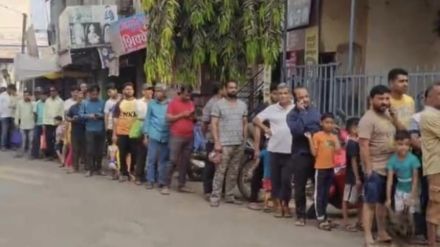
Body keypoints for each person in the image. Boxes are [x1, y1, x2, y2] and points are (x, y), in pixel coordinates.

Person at [359, 85, 403, 246]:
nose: (385, 102)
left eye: (386, 98)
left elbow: (402, 133)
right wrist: (369, 169)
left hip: (390, 168)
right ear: (372, 100)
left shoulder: (388, 116)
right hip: (375, 168)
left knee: (383, 202)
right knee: (370, 202)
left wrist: (395, 118)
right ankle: (367, 235)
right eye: (381, 98)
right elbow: (363, 145)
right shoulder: (367, 119)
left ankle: (382, 232)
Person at [252, 83, 293, 216]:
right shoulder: (271, 109)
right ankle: (278, 206)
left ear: (290, 95)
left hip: (290, 151)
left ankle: (285, 204)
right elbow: (256, 119)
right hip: (274, 149)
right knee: (275, 180)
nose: (282, 96)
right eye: (280, 93)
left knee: (286, 180)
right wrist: (265, 129)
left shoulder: (295, 109)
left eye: (285, 93)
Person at [286, 86, 321, 226]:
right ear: (295, 100)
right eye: (301, 97)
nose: (305, 99)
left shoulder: (315, 111)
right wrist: (302, 114)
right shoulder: (292, 115)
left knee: (319, 185)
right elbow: (298, 131)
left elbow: (318, 128)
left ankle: (317, 213)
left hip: (317, 154)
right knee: (300, 186)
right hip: (301, 154)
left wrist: (309, 128)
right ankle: (300, 215)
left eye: (306, 96)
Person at [210, 80, 248, 207]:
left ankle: (229, 196)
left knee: (234, 171)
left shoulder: (242, 105)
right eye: (230, 88)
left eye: (235, 87)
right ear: (225, 89)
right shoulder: (218, 105)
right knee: (220, 171)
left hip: (239, 143)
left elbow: (245, 123)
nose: (233, 90)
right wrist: (217, 142)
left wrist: (245, 139)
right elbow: (214, 124)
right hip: (224, 144)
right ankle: (215, 196)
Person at [304, 113, 340, 230]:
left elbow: (338, 151)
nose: (329, 125)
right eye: (327, 122)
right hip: (320, 168)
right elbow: (314, 153)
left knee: (326, 194)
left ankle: (324, 215)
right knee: (319, 194)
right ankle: (320, 218)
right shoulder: (318, 136)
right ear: (321, 123)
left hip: (331, 168)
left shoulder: (333, 137)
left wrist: (336, 137)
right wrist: (309, 139)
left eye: (331, 123)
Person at [247, 85, 279, 210]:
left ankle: (274, 200)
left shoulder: (283, 109)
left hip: (278, 145)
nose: (278, 96)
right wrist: (256, 148)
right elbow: (256, 126)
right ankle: (253, 198)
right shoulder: (265, 108)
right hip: (265, 144)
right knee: (260, 171)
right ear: (271, 94)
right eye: (276, 93)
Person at [420, 82, 440, 247]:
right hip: (436, 167)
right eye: (439, 94)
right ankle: (432, 242)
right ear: (428, 98)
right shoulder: (429, 116)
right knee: (435, 203)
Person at [166, 85, 195, 193]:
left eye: (189, 95)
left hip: (189, 135)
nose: (188, 97)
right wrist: (182, 115)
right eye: (186, 94)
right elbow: (168, 118)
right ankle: (166, 185)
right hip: (176, 135)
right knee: (172, 160)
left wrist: (192, 117)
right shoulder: (173, 103)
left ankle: (181, 185)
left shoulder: (191, 103)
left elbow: (192, 118)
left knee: (185, 161)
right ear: (181, 93)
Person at [143, 84, 170, 194]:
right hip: (154, 134)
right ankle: (150, 180)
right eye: (156, 91)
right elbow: (147, 119)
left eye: (160, 91)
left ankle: (162, 181)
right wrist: (145, 135)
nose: (157, 93)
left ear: (164, 92)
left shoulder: (170, 103)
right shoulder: (151, 104)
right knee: (151, 159)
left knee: (163, 160)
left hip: (166, 135)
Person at [385, 130, 420, 214]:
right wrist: (388, 198)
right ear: (395, 144)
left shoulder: (413, 159)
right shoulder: (392, 161)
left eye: (406, 144)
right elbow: (389, 181)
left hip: (411, 191)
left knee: (411, 215)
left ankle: (411, 227)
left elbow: (415, 180)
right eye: (400, 144)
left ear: (410, 145)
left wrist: (412, 195)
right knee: (399, 214)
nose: (404, 147)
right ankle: (401, 227)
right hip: (399, 191)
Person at [202, 82, 224, 200]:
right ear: (220, 90)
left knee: (221, 165)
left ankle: (220, 189)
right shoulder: (212, 103)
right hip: (212, 138)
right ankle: (208, 190)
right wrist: (205, 135)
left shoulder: (225, 102)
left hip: (224, 138)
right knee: (210, 164)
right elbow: (205, 122)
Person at [113, 82, 138, 182]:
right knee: (122, 153)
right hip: (122, 132)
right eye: (127, 89)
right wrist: (114, 134)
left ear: (133, 91)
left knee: (134, 153)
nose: (129, 91)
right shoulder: (119, 103)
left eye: (130, 89)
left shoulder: (138, 102)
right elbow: (115, 119)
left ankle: (131, 171)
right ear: (123, 91)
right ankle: (123, 172)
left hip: (134, 133)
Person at [341, 117, 363, 232]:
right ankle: (346, 222)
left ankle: (360, 221)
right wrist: (357, 177)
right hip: (352, 175)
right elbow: (353, 161)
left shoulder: (359, 142)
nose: (357, 129)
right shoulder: (352, 143)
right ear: (349, 129)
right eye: (355, 127)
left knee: (360, 198)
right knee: (347, 199)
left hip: (359, 174)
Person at [80, 85, 105, 177]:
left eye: (96, 93)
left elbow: (106, 115)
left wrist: (99, 116)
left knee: (100, 151)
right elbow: (81, 115)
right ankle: (89, 169)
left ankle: (99, 168)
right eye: (92, 93)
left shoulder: (102, 102)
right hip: (89, 129)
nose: (94, 95)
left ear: (98, 93)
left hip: (100, 129)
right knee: (90, 150)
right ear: (89, 94)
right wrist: (89, 116)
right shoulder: (84, 103)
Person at [134, 84, 154, 184]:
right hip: (140, 128)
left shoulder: (155, 103)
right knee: (141, 153)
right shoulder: (138, 102)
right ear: (143, 91)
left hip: (153, 129)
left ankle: (150, 176)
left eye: (151, 90)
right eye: (147, 90)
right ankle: (138, 176)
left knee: (152, 154)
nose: (150, 92)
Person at [66, 91, 85, 173]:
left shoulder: (86, 106)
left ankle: (88, 168)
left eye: (81, 98)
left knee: (86, 150)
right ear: (76, 98)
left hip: (85, 130)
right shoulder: (73, 107)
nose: (80, 99)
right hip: (75, 130)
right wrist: (71, 119)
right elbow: (67, 116)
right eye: (78, 98)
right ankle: (75, 167)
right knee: (75, 149)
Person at [43, 86, 64, 160]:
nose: (52, 92)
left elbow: (62, 113)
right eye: (51, 91)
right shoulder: (47, 100)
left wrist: (62, 123)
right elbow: (45, 112)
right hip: (48, 123)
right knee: (48, 139)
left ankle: (57, 155)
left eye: (54, 91)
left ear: (56, 92)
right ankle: (49, 155)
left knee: (57, 140)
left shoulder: (60, 101)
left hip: (57, 124)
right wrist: (44, 123)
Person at [14, 90, 35, 158]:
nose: (26, 97)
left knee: (30, 140)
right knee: (23, 139)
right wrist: (16, 122)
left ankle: (30, 153)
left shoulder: (33, 103)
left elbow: (35, 112)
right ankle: (21, 152)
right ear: (23, 96)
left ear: (30, 96)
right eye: (25, 95)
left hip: (31, 124)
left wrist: (31, 101)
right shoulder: (20, 103)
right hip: (22, 124)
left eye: (27, 95)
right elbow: (17, 113)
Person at [0, 84, 17, 150]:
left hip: (12, 115)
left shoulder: (14, 96)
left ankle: (11, 145)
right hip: (4, 116)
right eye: (12, 90)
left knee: (12, 131)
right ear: (9, 89)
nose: (13, 92)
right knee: (4, 131)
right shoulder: (2, 95)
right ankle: (3, 145)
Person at [31, 89, 47, 159]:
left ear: (46, 96)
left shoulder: (48, 103)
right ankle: (34, 154)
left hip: (46, 123)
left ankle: (45, 154)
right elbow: (35, 113)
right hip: (38, 124)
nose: (43, 97)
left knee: (45, 140)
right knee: (35, 139)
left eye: (44, 95)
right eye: (41, 95)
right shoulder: (37, 103)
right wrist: (35, 122)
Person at [104, 83, 119, 147]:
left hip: (120, 126)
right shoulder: (108, 102)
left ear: (116, 90)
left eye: (110, 91)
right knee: (111, 146)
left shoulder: (122, 99)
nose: (109, 94)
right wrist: (106, 128)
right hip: (111, 127)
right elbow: (106, 115)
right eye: (108, 92)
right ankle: (111, 157)